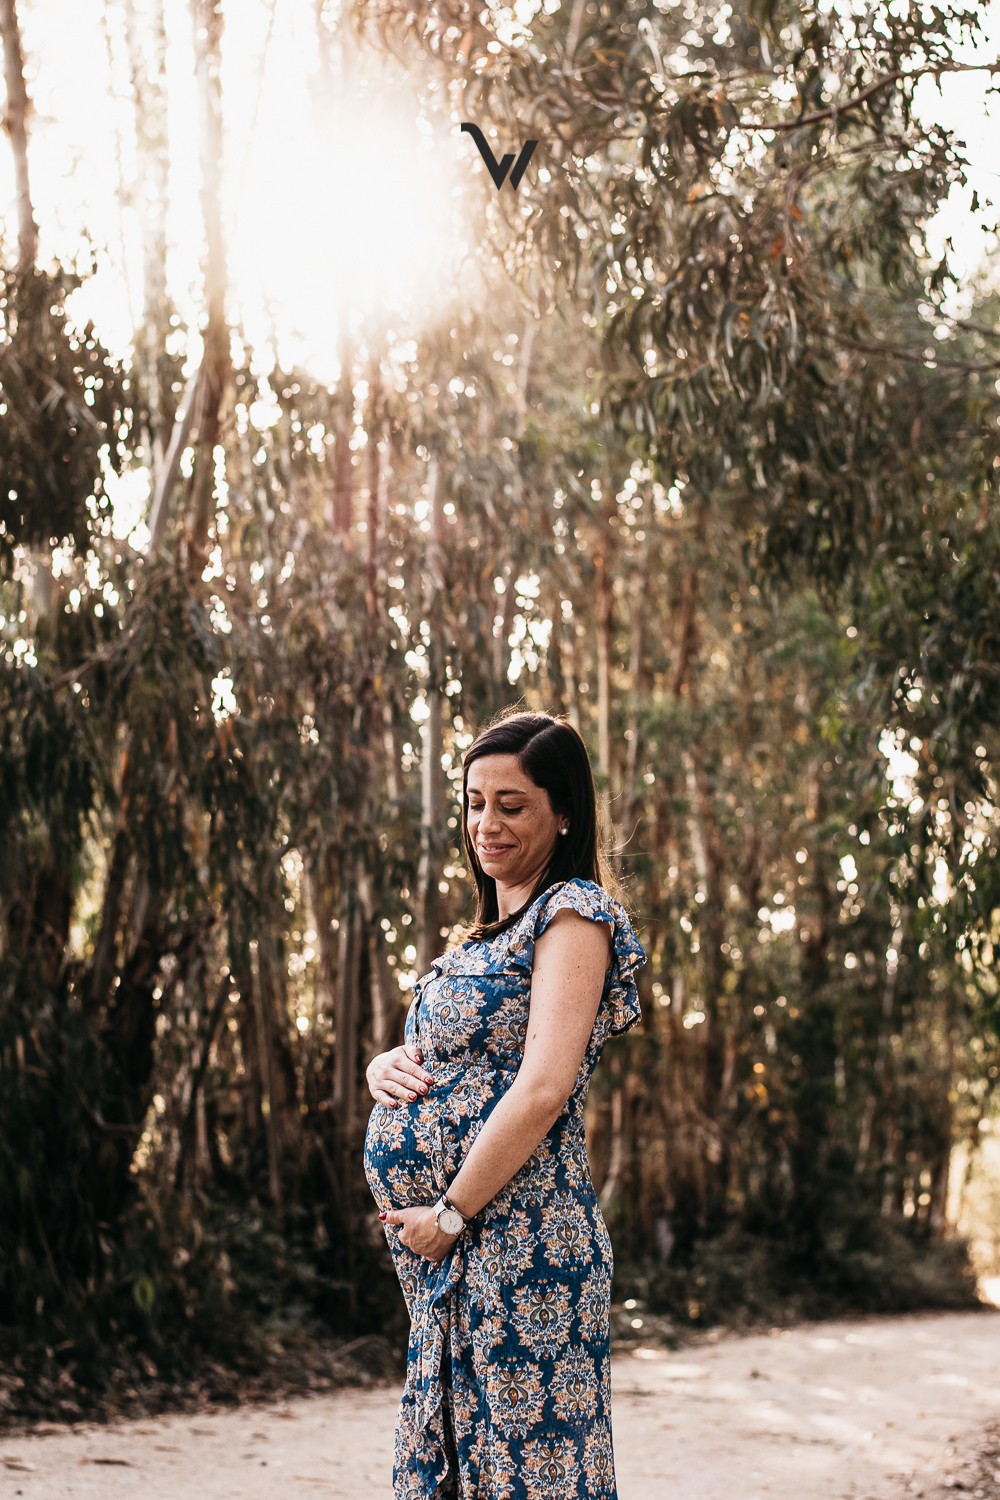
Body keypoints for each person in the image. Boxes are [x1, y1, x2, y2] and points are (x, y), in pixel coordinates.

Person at [363, 709, 646, 1500]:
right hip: (454, 1255)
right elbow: (449, 1058)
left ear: (563, 814)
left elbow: (545, 1085)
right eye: (474, 802)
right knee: (458, 1464)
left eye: (512, 805)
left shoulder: (573, 915)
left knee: (530, 1473)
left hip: (524, 1246)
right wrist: (383, 1066)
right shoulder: (484, 936)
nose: (486, 824)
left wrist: (450, 1213)